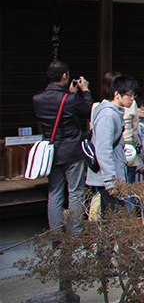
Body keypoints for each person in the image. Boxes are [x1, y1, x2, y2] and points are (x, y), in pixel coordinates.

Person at [33, 60, 92, 231]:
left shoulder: (38, 99)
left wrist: (70, 95)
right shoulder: (70, 99)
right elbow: (88, 109)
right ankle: (75, 232)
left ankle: (55, 234)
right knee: (76, 192)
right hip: (72, 150)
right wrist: (85, 91)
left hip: (52, 151)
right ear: (65, 76)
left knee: (54, 193)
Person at [85, 74, 135, 215]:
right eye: (129, 95)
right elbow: (103, 150)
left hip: (112, 176)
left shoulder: (114, 112)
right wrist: (110, 181)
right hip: (107, 179)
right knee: (112, 221)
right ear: (117, 94)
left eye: (133, 95)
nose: (132, 99)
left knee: (114, 220)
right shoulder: (108, 115)